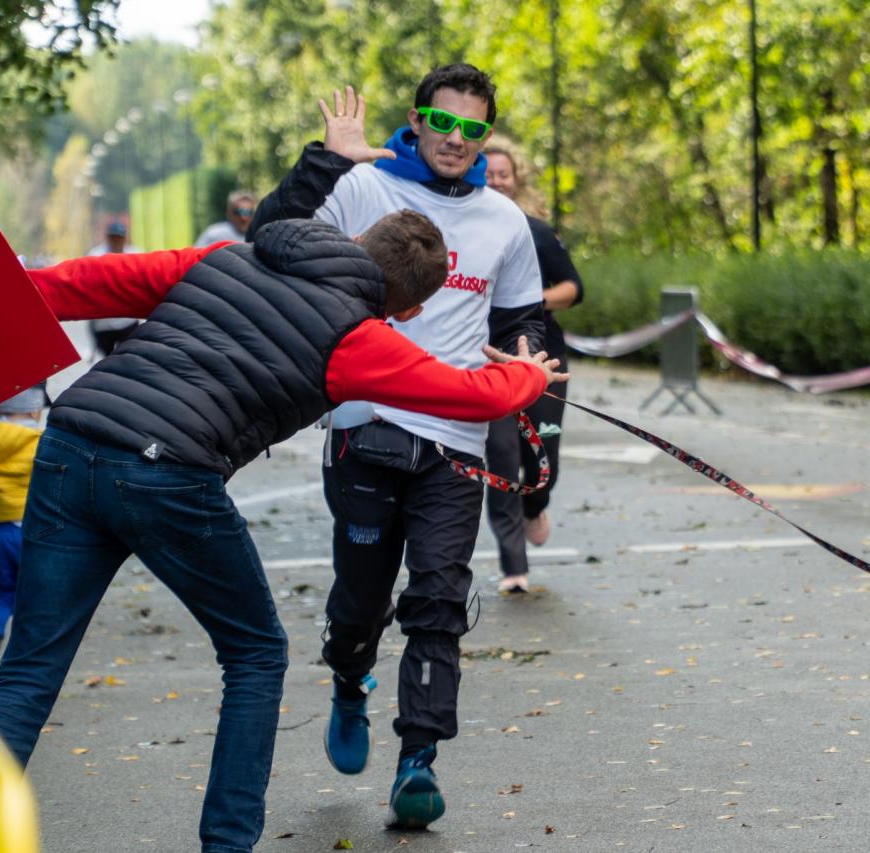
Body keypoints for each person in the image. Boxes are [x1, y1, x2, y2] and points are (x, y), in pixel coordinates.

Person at [0, 212, 565, 853]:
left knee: (28, 673)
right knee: (256, 654)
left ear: (354, 241)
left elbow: (70, 285)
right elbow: (470, 395)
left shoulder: (223, 259)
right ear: (407, 313)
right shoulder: (361, 338)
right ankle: (228, 845)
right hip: (169, 474)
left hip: (70, 443)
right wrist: (530, 376)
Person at [246, 67, 546, 830]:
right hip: (364, 428)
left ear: (488, 134)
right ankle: (350, 679)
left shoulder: (504, 221)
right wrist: (328, 157)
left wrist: (525, 361)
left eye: (475, 129)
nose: (457, 139)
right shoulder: (361, 186)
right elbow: (266, 238)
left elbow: (524, 321)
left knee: (439, 596)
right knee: (360, 605)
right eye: (444, 123)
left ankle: (418, 759)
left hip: (455, 439)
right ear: (415, 121)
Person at [483, 140, 583, 594]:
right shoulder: (462, 230)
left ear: (516, 179)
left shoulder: (536, 231)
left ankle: (534, 505)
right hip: (487, 361)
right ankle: (513, 566)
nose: (495, 180)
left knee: (545, 456)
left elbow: (572, 288)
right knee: (501, 459)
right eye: (488, 172)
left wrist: (527, 300)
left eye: (503, 173)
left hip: (544, 358)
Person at [0, 385, 45, 683]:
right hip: (29, 532)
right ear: (35, 411)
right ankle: (24, 661)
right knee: (36, 596)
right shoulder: (39, 442)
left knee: (5, 593)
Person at [86, 220, 142, 358]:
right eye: (113, 237)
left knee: (128, 358)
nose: (116, 241)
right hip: (103, 323)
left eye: (119, 237)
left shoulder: (137, 255)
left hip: (128, 321)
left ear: (125, 238)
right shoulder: (95, 255)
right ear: (108, 238)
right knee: (108, 358)